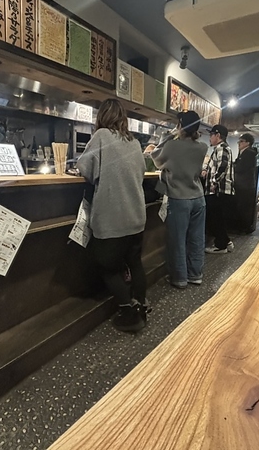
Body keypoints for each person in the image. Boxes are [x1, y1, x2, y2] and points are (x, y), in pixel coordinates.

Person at [77, 98, 148, 333]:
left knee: (107, 267)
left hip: (112, 218)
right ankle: (141, 305)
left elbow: (85, 168)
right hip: (136, 216)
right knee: (135, 262)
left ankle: (129, 312)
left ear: (102, 117)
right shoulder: (134, 142)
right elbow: (142, 171)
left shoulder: (101, 136)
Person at [149, 111, 208, 289]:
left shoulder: (172, 146)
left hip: (179, 197)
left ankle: (180, 278)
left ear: (180, 125)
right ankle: (195, 275)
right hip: (198, 198)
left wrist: (169, 134)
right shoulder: (202, 147)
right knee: (197, 238)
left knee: (178, 240)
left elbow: (156, 158)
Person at [203, 124, 235, 253]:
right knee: (218, 219)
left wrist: (214, 182)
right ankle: (226, 242)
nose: (209, 138)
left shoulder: (222, 148)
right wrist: (206, 171)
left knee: (215, 219)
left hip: (219, 190)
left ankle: (221, 246)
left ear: (218, 135)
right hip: (220, 190)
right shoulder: (221, 148)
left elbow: (222, 166)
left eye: (211, 135)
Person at [234, 132, 258, 233]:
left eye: (241, 141)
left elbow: (240, 168)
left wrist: (232, 167)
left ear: (248, 143)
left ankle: (245, 228)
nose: (239, 143)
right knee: (242, 207)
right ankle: (243, 227)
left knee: (244, 208)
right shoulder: (244, 152)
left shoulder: (249, 153)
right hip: (244, 185)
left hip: (245, 185)